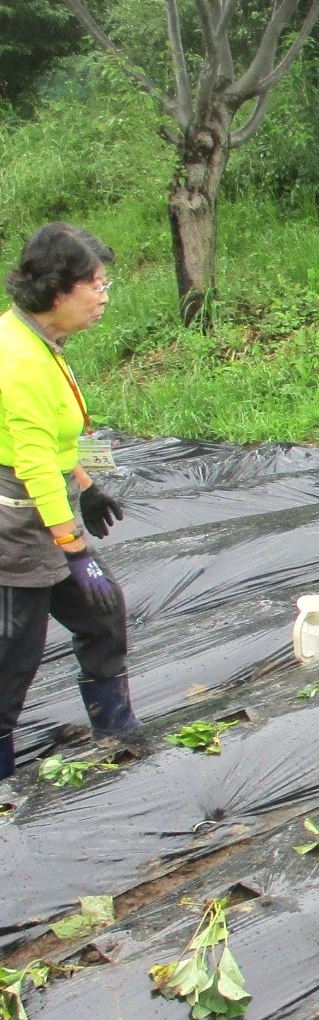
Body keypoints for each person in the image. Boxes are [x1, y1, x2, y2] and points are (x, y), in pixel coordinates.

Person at [1, 224, 135, 779]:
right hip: (15, 522)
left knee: (103, 613)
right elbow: (31, 463)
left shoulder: (40, 341)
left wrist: (86, 483)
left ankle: (117, 736)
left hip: (47, 506)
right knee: (14, 651)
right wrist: (73, 549)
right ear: (59, 291)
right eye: (96, 285)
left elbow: (51, 439)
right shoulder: (19, 360)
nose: (104, 297)